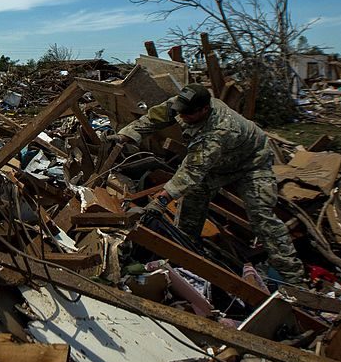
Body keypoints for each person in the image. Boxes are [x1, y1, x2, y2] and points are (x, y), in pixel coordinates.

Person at [108, 83, 305, 284]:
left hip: (250, 164)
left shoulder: (219, 130)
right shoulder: (184, 105)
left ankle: (293, 278)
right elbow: (156, 116)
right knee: (191, 206)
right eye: (180, 113)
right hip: (217, 164)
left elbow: (192, 170)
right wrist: (127, 134)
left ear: (204, 109)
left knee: (261, 216)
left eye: (188, 115)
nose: (182, 117)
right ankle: (185, 252)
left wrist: (161, 200)